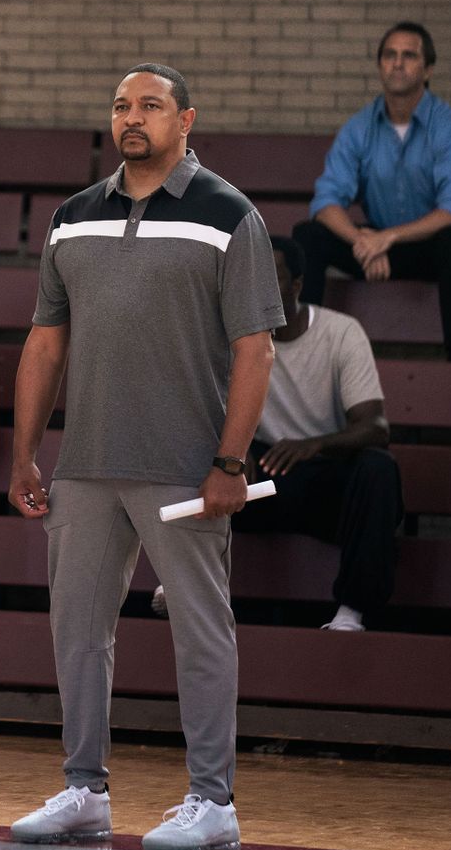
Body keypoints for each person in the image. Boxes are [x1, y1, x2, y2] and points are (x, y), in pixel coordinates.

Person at [8, 63, 284, 850]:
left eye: (152, 106)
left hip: (186, 467)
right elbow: (45, 341)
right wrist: (26, 452)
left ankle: (212, 800)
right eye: (123, 106)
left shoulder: (229, 213)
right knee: (78, 629)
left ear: (186, 119)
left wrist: (230, 464)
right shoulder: (71, 217)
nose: (134, 118)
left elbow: (255, 350)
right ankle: (84, 789)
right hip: (85, 462)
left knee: (201, 630)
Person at [152, 237, 402, 632]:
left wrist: (313, 445)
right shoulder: (226, 334)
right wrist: (233, 450)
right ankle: (182, 579)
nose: (254, 287)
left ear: (297, 286)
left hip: (318, 479)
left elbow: (375, 428)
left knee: (378, 468)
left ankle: (351, 613)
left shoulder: (340, 333)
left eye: (270, 277)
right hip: (250, 484)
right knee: (193, 444)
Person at [293, 21, 451, 360]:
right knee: (308, 236)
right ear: (380, 66)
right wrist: (361, 240)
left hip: (427, 248)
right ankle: (306, 356)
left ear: (428, 69)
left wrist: (387, 238)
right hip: (372, 248)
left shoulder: (450, 127)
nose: (398, 63)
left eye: (409, 55)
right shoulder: (360, 127)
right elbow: (326, 201)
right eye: (390, 55)